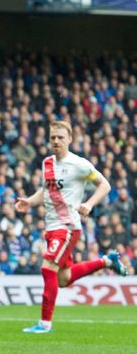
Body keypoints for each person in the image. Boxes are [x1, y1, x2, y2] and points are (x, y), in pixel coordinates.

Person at [16, 121, 127, 334]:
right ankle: (106, 261)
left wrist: (89, 204)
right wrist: (30, 201)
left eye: (60, 137)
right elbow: (46, 190)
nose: (56, 141)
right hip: (51, 228)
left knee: (47, 268)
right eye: (52, 138)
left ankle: (44, 324)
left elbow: (105, 185)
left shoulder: (80, 165)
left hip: (67, 227)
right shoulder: (47, 162)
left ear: (69, 139)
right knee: (63, 279)